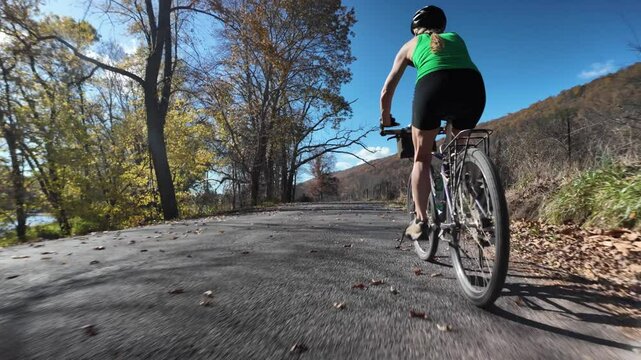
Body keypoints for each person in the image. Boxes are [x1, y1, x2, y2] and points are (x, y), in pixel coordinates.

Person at [380, 5, 486, 240]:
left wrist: (385, 119)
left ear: (415, 29)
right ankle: (481, 210)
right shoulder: (456, 37)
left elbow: (387, 90)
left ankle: (421, 222)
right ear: (442, 25)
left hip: (432, 88)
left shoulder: (409, 45)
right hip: (473, 89)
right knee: (458, 151)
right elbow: (453, 69)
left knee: (421, 157)